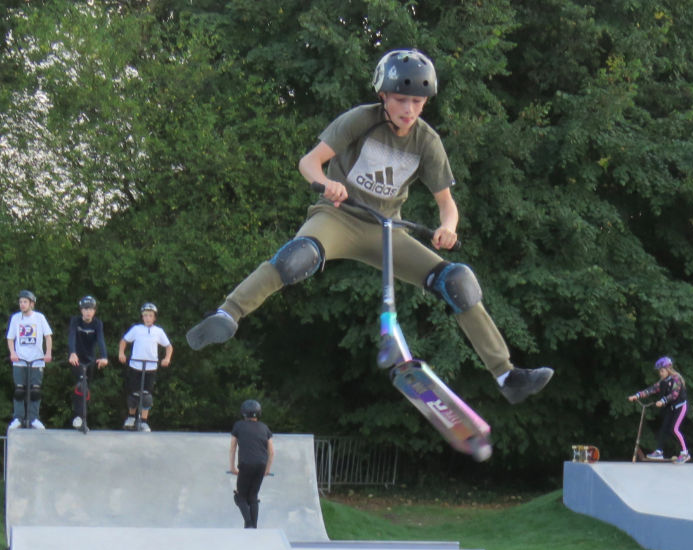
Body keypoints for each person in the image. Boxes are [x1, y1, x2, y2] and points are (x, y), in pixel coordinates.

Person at [186, 49, 553, 405]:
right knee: (298, 257)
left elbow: (447, 204)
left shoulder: (427, 141)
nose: (409, 110)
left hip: (387, 230)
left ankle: (506, 375)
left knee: (457, 280)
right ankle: (227, 314)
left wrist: (448, 228)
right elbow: (308, 162)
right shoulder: (360, 120)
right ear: (383, 96)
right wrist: (325, 183)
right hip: (338, 217)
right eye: (400, 100)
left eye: (418, 102)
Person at [118, 303, 173, 432]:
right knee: (133, 394)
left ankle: (143, 421)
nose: (148, 318)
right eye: (145, 316)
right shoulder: (136, 329)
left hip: (150, 366)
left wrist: (167, 358)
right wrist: (121, 353)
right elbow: (124, 341)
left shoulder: (158, 331)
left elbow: (168, 346)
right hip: (135, 365)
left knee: (147, 396)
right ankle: (131, 417)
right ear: (142, 317)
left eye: (150, 316)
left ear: (154, 318)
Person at [628, 356, 691, 463]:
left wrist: (663, 401)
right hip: (671, 408)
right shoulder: (663, 381)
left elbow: (674, 394)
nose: (660, 373)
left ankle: (685, 453)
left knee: (674, 429)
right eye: (659, 372)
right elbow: (652, 389)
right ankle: (659, 451)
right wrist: (637, 395)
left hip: (680, 407)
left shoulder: (676, 378)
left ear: (668, 369)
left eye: (662, 371)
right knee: (663, 428)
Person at [6, 289, 53, 430]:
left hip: (36, 359)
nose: (22, 304)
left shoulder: (39, 318)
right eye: (20, 302)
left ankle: (34, 418)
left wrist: (48, 352)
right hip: (20, 359)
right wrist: (12, 352)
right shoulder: (15, 318)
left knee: (35, 391)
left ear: (32, 303)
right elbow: (10, 338)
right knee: (19, 390)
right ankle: (18, 418)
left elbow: (48, 336)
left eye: (25, 302)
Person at [229, 398, 274, 528]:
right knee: (253, 496)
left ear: (243, 413)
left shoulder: (238, 425)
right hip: (261, 464)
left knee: (240, 497)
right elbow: (271, 451)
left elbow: (232, 447)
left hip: (245, 464)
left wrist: (232, 467)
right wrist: (267, 468)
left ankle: (248, 524)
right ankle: (254, 527)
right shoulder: (265, 428)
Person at [68, 295, 109, 429]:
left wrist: (104, 356)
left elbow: (101, 340)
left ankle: (82, 417)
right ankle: (78, 417)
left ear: (94, 311)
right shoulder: (76, 321)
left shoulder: (97, 323)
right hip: (76, 359)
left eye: (90, 309)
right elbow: (72, 336)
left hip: (90, 360)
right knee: (81, 385)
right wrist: (72, 352)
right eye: (85, 309)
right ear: (81, 310)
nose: (87, 312)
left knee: (86, 389)